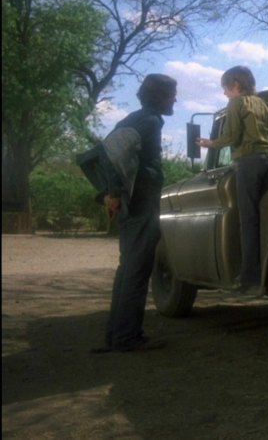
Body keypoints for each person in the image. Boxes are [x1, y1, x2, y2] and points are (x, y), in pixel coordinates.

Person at [92, 73, 178, 353]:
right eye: (172, 94)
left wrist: (112, 192)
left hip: (132, 204)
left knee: (127, 268)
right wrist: (115, 192)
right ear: (160, 96)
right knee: (137, 270)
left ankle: (117, 335)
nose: (175, 99)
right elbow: (114, 153)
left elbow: (106, 153)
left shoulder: (131, 119)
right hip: (141, 203)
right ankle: (128, 338)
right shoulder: (150, 121)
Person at [197, 65, 268, 296]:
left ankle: (249, 277)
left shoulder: (236, 104)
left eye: (225, 89)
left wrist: (209, 144)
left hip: (248, 162)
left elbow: (232, 136)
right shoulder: (266, 106)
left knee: (248, 219)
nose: (224, 94)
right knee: (266, 218)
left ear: (236, 86)